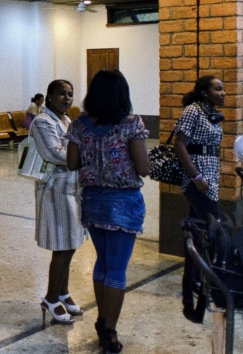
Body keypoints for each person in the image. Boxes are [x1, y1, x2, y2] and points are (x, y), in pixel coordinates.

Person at [66, 69, 149, 353]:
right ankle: (109, 332)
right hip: (123, 202)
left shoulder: (79, 125)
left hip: (93, 201)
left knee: (102, 263)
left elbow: (72, 163)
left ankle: (102, 321)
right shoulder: (131, 124)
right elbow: (143, 168)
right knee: (116, 268)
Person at [172, 75, 225, 322]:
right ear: (204, 92)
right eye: (218, 89)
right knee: (212, 231)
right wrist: (196, 176)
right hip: (197, 180)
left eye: (223, 89)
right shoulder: (193, 110)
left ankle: (191, 286)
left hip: (209, 179)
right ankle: (202, 283)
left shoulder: (211, 113)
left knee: (197, 231)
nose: (223, 93)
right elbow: (179, 144)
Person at [32, 80, 85, 325]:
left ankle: (63, 291)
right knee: (62, 246)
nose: (67, 98)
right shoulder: (42, 121)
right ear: (50, 97)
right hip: (55, 190)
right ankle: (51, 298)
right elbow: (54, 153)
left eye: (70, 94)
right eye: (61, 94)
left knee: (70, 243)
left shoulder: (66, 120)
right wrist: (86, 155)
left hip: (72, 188)